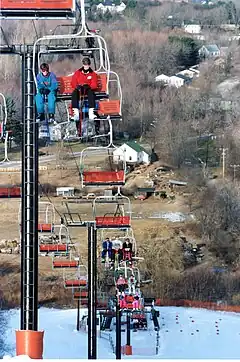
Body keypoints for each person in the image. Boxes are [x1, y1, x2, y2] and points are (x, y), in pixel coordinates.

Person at [71, 57, 98, 122]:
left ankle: (91, 113)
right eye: (85, 65)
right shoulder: (78, 72)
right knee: (74, 93)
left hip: (88, 89)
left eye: (87, 65)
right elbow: (73, 82)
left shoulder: (92, 74)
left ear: (89, 65)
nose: (86, 67)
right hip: (80, 88)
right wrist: (77, 86)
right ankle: (76, 113)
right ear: (83, 65)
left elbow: (94, 84)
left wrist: (89, 86)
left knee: (91, 93)